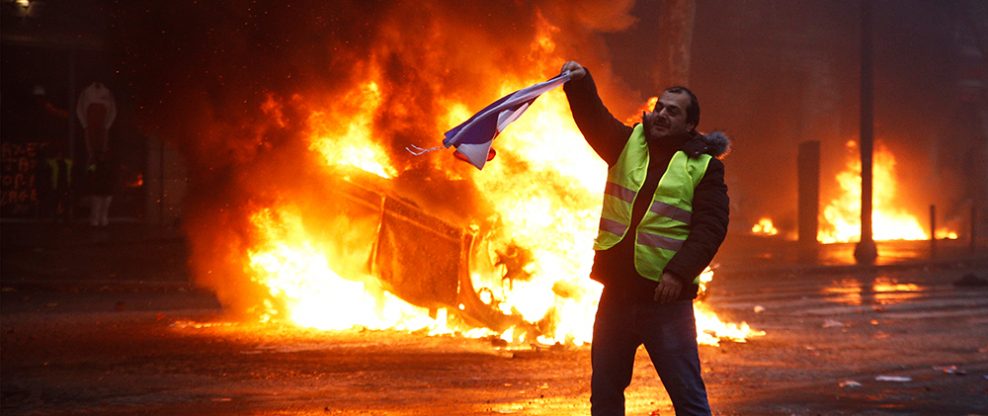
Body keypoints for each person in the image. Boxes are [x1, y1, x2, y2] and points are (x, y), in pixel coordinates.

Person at [561, 61, 730, 416]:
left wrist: (678, 273)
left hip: (665, 302)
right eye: (659, 107)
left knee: (689, 399)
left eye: (673, 111)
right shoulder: (626, 143)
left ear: (689, 124)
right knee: (605, 394)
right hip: (617, 296)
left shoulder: (703, 167)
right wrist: (580, 84)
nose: (662, 115)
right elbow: (594, 119)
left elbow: (710, 228)